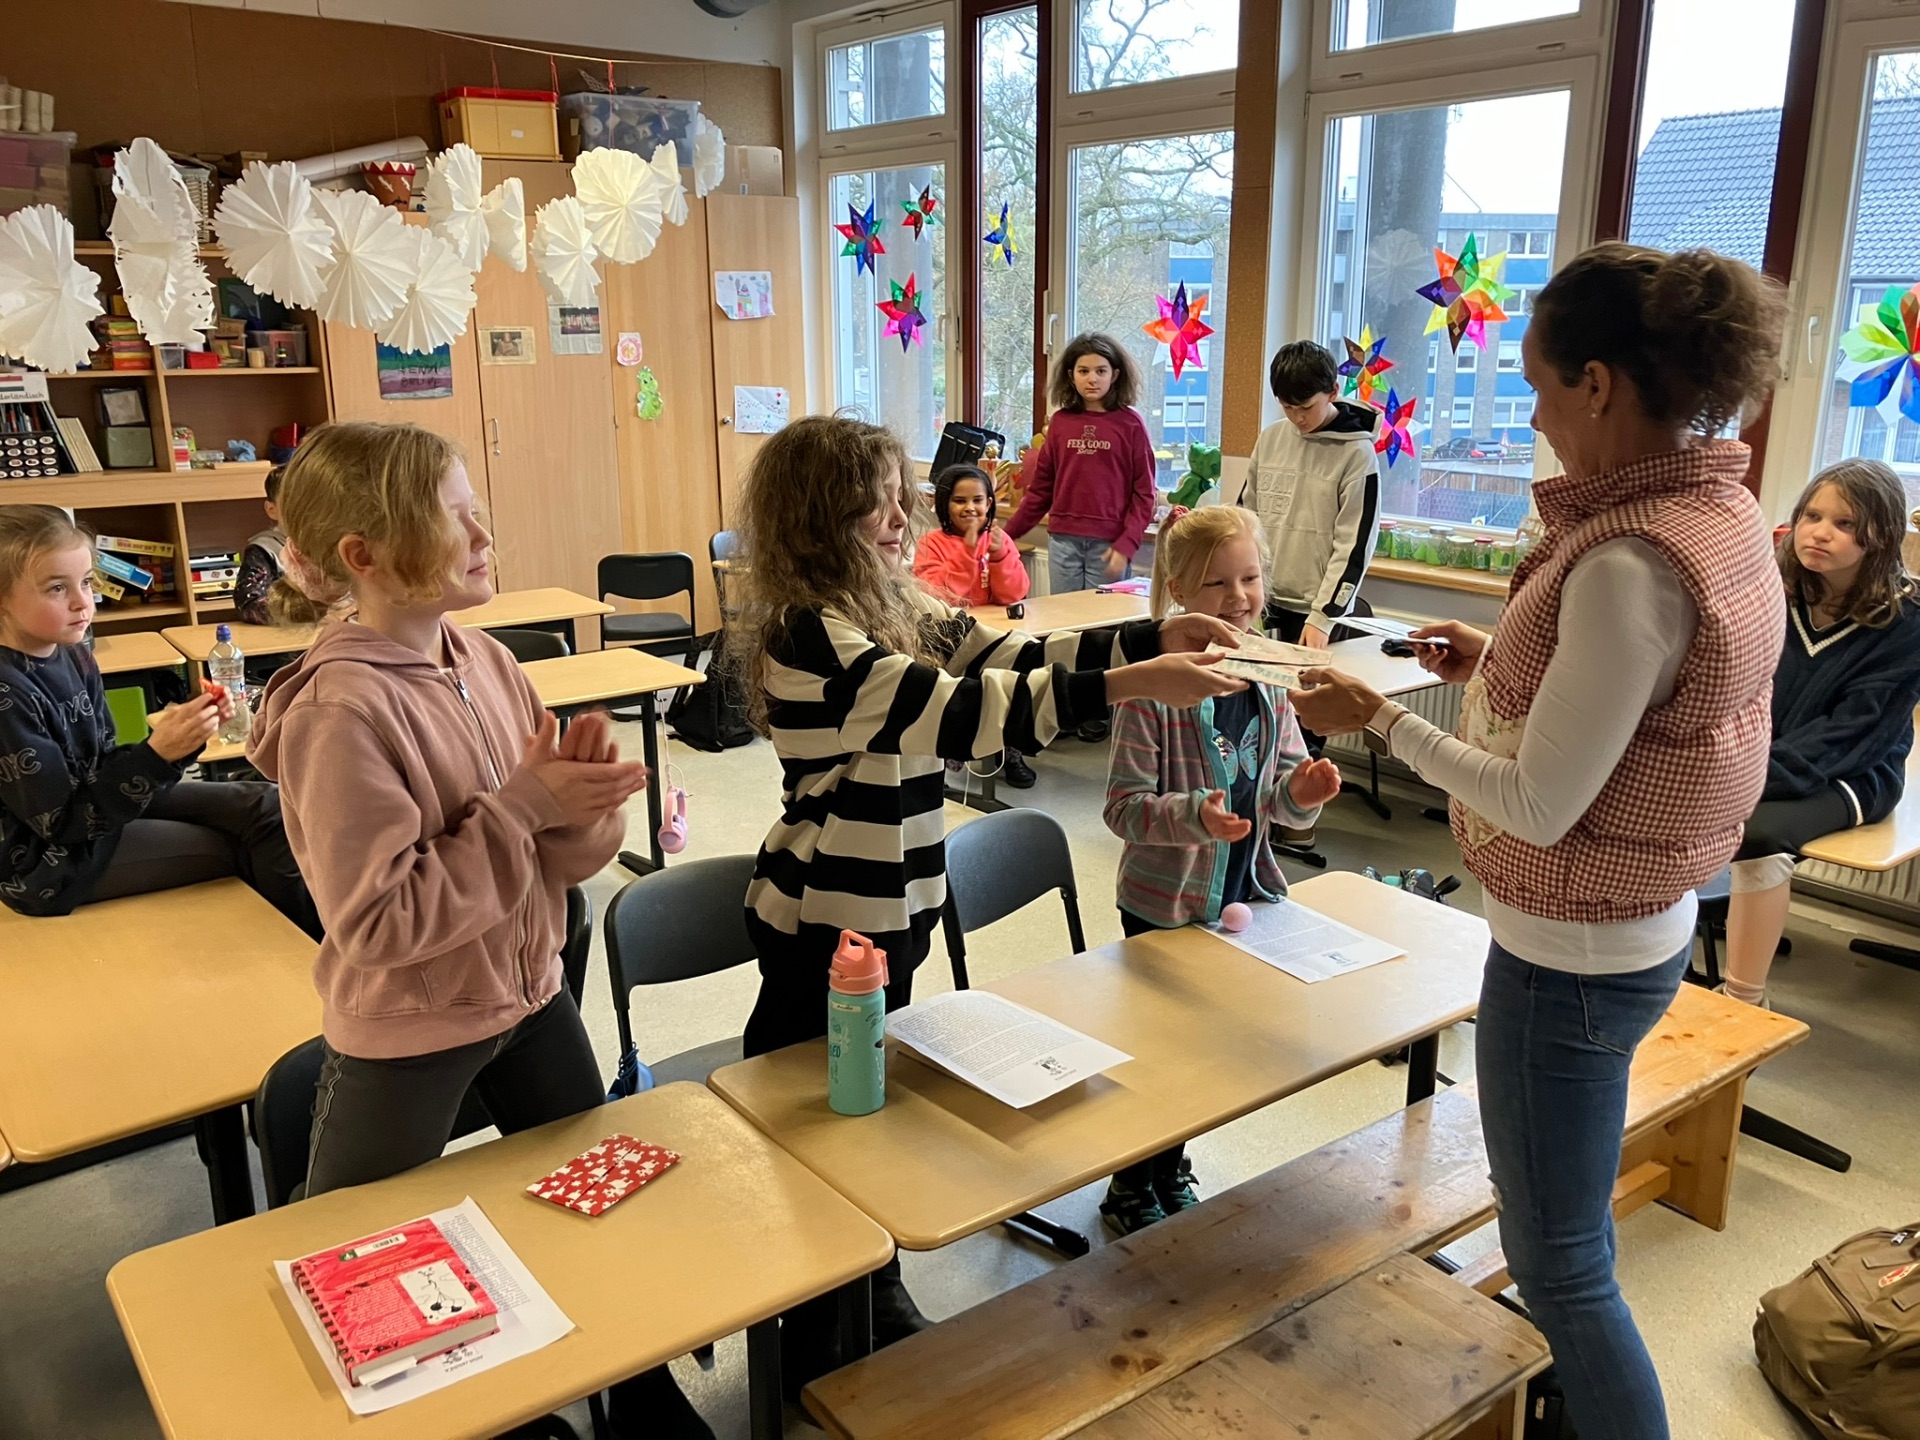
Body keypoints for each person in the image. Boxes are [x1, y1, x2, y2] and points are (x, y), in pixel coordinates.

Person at [1290, 243, 1788, 1440]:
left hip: (1572, 960)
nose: (1536, 415)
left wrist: (1382, 722)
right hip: (1635, 932)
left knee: (1558, 1259)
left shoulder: (1627, 561)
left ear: (1603, 384)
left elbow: (1539, 805)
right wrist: (1486, 659)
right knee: (1565, 1233)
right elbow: (1630, 711)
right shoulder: (1717, 510)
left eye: (1539, 386)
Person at [726, 414, 1244, 1386]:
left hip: (899, 901)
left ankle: (863, 1286)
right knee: (819, 1121)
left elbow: (1001, 660)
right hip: (828, 916)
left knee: (865, 1113)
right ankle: (813, 1324)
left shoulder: (886, 597)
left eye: (902, 493)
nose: (903, 513)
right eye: (881, 498)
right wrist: (1138, 677)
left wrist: (1149, 633)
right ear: (822, 513)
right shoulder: (814, 627)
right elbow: (962, 715)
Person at [247, 423, 706, 1439]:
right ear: (363, 557)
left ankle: (638, 1392)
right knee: (365, 1276)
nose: (484, 532)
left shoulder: (485, 658)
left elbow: (552, 868)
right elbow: (379, 922)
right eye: (453, 516)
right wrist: (527, 809)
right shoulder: (340, 714)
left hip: (529, 999)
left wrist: (584, 816)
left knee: (604, 1218)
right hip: (409, 1034)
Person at [1099, 505, 1342, 1233]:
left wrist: (1303, 794)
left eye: (1251, 577)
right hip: (1160, 906)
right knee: (1155, 1061)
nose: (1239, 598)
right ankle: (1128, 1183)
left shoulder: (1268, 674)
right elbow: (1123, 809)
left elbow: (1282, 790)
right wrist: (1194, 816)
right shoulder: (1153, 689)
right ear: (1177, 591)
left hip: (1240, 896)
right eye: (1217, 584)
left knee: (1200, 1058)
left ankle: (1171, 1168)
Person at [0, 504, 317, 934]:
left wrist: (176, 742)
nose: (83, 602)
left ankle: (317, 949)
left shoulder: (71, 649)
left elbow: (100, 764)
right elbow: (62, 824)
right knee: (238, 846)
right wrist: (156, 755)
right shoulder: (8, 692)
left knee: (269, 806)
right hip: (48, 866)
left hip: (96, 813)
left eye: (87, 582)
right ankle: (303, 959)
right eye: (57, 588)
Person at [1722, 458, 1920, 1006]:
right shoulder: (1776, 593)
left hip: (1857, 774)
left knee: (1759, 838)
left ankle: (1744, 1001)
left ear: (1881, 535)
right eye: (1812, 515)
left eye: (1846, 524)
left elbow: (1852, 735)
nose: (1820, 532)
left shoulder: (1908, 621)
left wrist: (1739, 778)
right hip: (1761, 759)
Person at [1240, 341, 1381, 647]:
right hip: (1266, 603)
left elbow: (1354, 547)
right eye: (1288, 407)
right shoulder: (1271, 438)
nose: (1298, 417)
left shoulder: (1357, 453)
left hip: (1316, 614)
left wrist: (1324, 616)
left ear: (1333, 391)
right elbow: (1245, 520)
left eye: (1306, 407)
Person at [1003, 332, 1158, 595]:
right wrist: (1008, 534)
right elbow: (1041, 490)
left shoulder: (1131, 425)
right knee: (1065, 623)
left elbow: (1144, 494)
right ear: (1071, 375)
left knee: (1102, 627)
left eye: (1101, 371)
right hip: (1063, 542)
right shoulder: (1061, 422)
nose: (1092, 379)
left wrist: (1126, 545)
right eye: (1083, 371)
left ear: (1115, 375)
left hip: (1110, 545)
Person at [913, 461, 1036, 787]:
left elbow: (1014, 592)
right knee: (952, 687)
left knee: (1011, 680)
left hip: (991, 633)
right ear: (944, 504)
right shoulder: (932, 543)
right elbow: (938, 594)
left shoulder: (999, 540)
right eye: (960, 500)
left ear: (989, 503)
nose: (970, 508)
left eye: (978, 500)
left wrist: (997, 557)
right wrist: (967, 554)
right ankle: (949, 749)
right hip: (949, 638)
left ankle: (1010, 751)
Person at [234, 464, 288, 627]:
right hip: (287, 642)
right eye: (293, 501)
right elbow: (249, 604)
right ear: (272, 509)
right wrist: (313, 611)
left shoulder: (334, 545)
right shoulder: (264, 550)